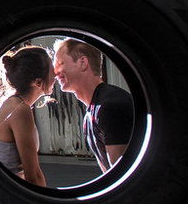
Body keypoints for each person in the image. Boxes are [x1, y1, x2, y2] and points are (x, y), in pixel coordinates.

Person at [52, 38, 133, 172]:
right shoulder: (92, 114)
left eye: (60, 63)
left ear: (83, 62)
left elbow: (123, 177)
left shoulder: (110, 107)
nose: (55, 72)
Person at [0, 46, 55, 186]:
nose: (56, 75)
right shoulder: (20, 110)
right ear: (38, 82)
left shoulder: (13, 103)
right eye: (52, 72)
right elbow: (33, 176)